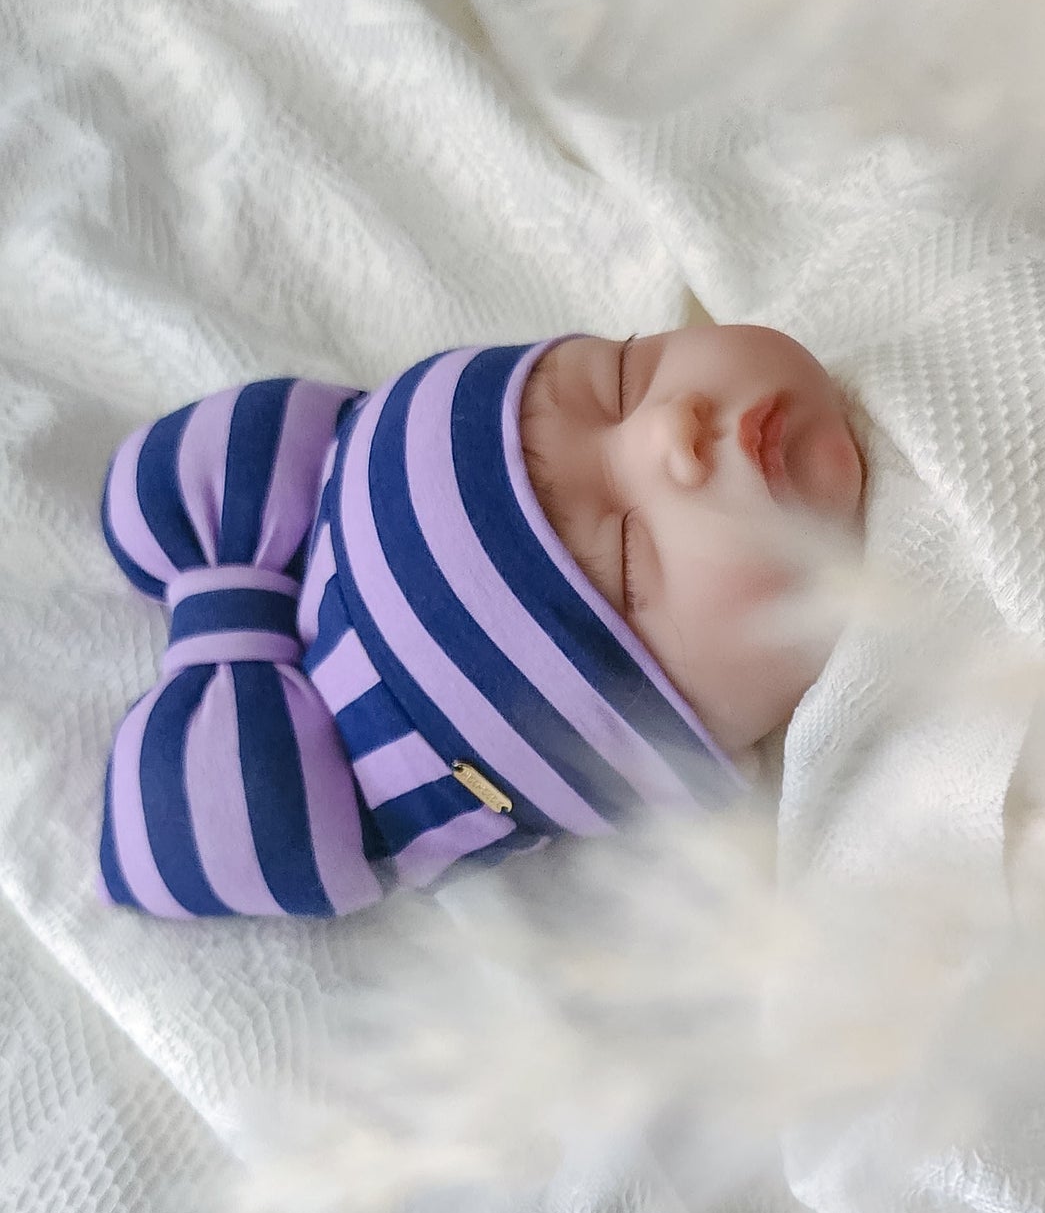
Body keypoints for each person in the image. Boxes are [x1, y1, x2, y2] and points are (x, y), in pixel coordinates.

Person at [97, 325, 867, 920]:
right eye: (630, 560)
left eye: (621, 377)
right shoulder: (878, 835)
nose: (670, 430)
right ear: (683, 760)